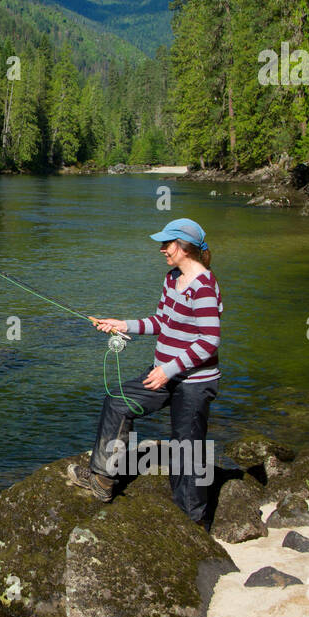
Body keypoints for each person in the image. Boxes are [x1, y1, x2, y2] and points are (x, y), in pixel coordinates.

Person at [66, 218, 223, 529]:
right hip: (163, 373)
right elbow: (161, 322)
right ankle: (103, 479)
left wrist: (169, 370)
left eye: (167, 244)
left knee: (186, 449)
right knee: (117, 401)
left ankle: (194, 527)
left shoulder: (204, 286)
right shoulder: (172, 278)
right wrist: (123, 325)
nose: (162, 249)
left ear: (184, 247)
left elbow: (209, 340)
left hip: (194, 382)